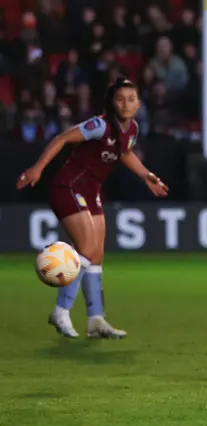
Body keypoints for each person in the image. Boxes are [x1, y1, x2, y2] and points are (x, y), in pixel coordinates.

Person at [16, 77, 169, 339]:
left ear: (139, 104)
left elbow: (125, 153)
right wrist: (37, 169)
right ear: (112, 101)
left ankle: (95, 320)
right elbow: (63, 138)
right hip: (69, 187)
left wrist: (147, 176)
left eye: (131, 99)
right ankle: (61, 312)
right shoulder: (99, 125)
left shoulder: (132, 129)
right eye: (120, 98)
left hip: (90, 191)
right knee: (86, 249)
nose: (126, 104)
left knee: (96, 254)